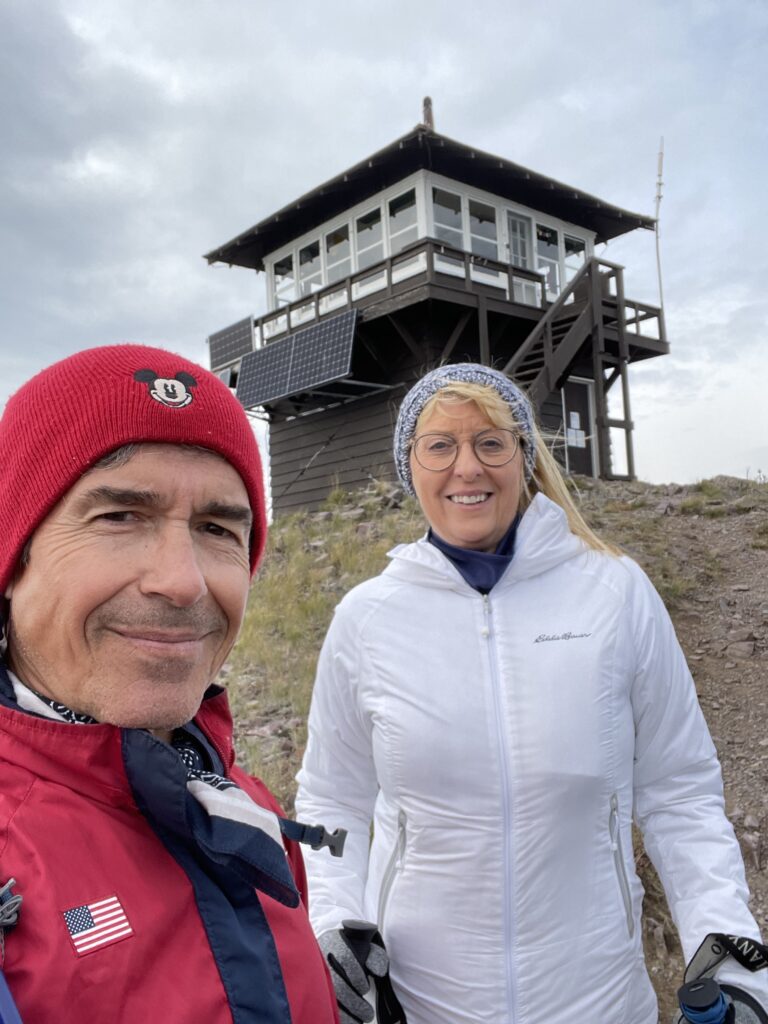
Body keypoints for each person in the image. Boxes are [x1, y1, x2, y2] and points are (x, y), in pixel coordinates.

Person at [295, 363, 768, 1024]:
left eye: (491, 441)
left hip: (600, 1001)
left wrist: (731, 954)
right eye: (440, 445)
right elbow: (330, 800)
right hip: (423, 1003)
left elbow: (679, 790)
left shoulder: (616, 591)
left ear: (524, 457)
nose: (467, 467)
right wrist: (336, 921)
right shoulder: (366, 618)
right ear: (411, 465)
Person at [0, 344, 341, 1024]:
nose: (183, 581)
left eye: (218, 528)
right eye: (120, 516)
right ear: (13, 561)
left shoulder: (242, 804)